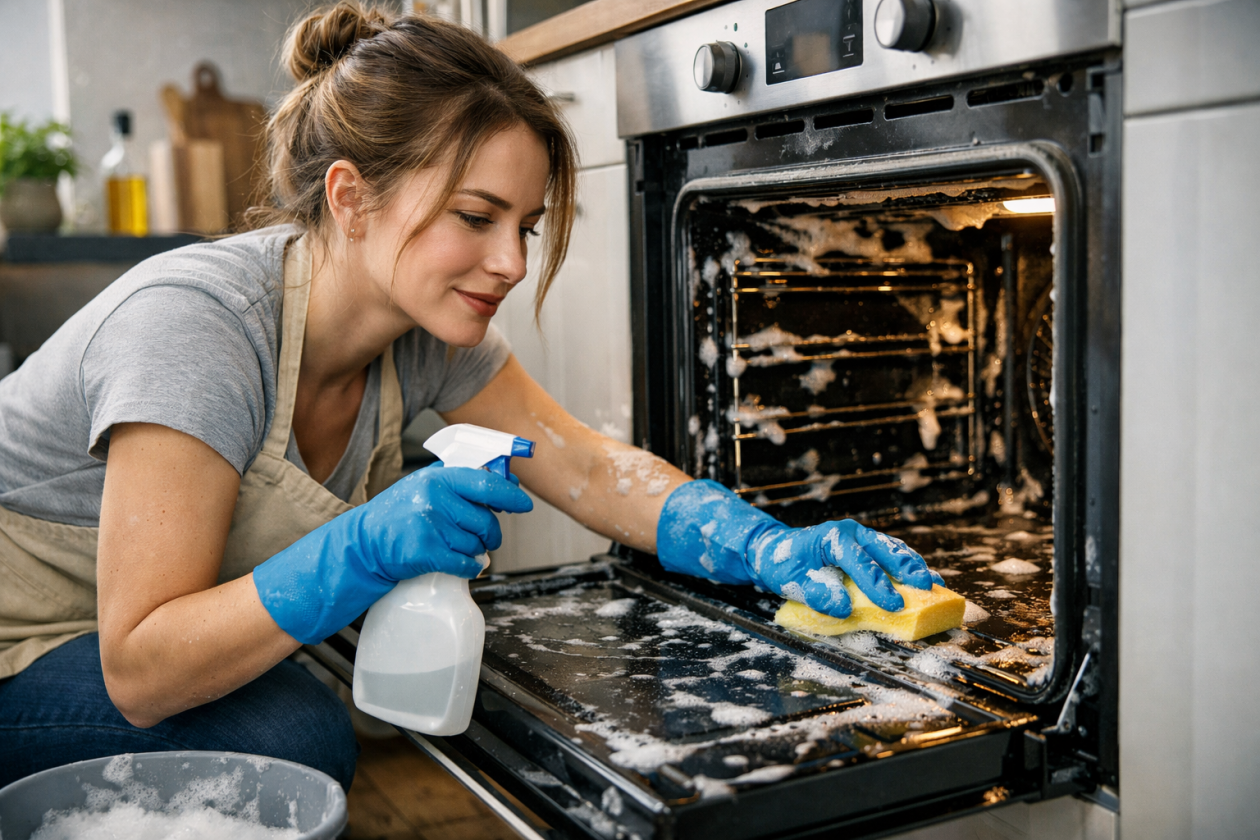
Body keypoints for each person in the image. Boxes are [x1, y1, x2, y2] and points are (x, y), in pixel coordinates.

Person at [0, 2, 938, 791]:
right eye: (476, 217)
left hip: (116, 639)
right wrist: (360, 550)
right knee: (291, 736)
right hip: (27, 642)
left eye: (525, 226)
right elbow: (140, 668)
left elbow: (583, 463)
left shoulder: (421, 330)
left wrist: (760, 542)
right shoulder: (198, 330)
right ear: (351, 197)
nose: (512, 264)